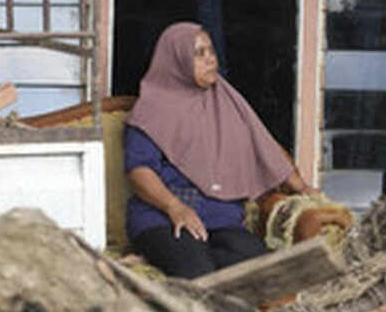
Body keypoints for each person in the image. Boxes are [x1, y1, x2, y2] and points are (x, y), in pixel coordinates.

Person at [123, 22, 315, 278]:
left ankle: (155, 259)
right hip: (164, 217)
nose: (211, 59)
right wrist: (174, 207)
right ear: (176, 61)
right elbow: (139, 171)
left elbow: (263, 145)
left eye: (211, 51)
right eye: (199, 54)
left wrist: (301, 187)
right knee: (198, 272)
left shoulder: (226, 102)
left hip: (222, 218)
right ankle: (159, 254)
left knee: (263, 271)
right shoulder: (150, 111)